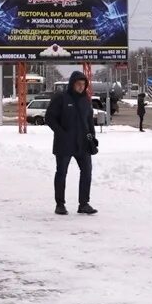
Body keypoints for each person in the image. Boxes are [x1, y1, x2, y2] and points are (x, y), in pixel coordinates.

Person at [45, 71, 98, 215]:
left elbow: (89, 121)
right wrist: (61, 133)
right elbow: (49, 117)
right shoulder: (61, 98)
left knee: (87, 172)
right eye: (78, 84)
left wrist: (92, 137)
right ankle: (60, 204)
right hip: (64, 144)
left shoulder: (86, 100)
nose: (81, 87)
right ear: (72, 84)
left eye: (84, 84)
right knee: (62, 173)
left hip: (83, 144)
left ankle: (84, 203)